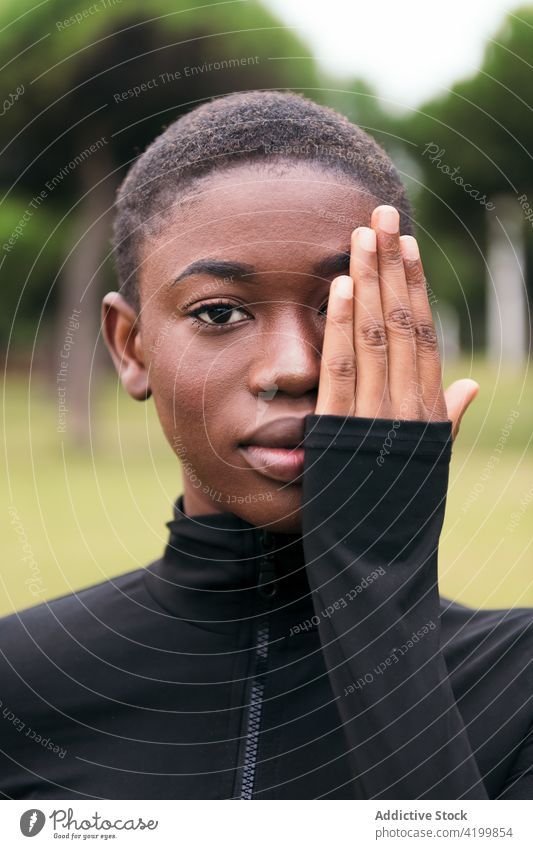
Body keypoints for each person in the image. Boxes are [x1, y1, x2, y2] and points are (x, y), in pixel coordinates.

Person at [1, 91, 531, 800]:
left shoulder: (516, 680)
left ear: (405, 327)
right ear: (131, 348)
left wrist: (376, 583)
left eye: (340, 304)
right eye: (219, 312)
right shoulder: (21, 685)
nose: (295, 365)